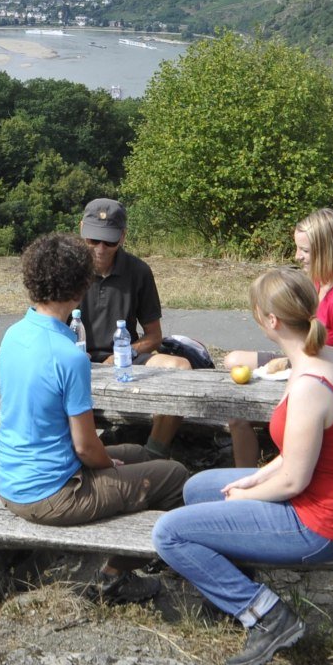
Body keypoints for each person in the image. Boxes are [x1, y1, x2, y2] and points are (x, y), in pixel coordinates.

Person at [151, 268, 333, 665]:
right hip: (331, 502)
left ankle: (266, 615)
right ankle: (233, 585)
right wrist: (252, 476)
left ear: (271, 320)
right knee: (198, 487)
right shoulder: (327, 356)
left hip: (322, 525)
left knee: (169, 533)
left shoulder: (310, 384)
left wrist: (246, 495)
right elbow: (296, 454)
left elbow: (294, 480)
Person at [0, 232, 190, 602]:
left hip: (12, 480)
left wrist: (109, 461)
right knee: (176, 476)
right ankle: (114, 578)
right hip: (51, 494)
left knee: (144, 456)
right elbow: (87, 448)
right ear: (82, 286)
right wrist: (107, 465)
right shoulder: (69, 356)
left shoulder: (14, 334)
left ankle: (131, 547)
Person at [78, 198, 258, 467]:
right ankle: (79, 450)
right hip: (75, 355)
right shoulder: (67, 268)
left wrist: (123, 353)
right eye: (93, 240)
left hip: (123, 354)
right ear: (81, 230)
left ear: (123, 237)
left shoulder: (138, 271)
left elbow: (154, 336)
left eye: (110, 241)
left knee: (181, 367)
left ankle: (155, 451)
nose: (101, 249)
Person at [226, 207, 333, 379]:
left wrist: (293, 367)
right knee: (233, 360)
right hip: (308, 357)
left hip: (329, 373)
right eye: (297, 248)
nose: (297, 256)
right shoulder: (320, 279)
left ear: (328, 251)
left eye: (305, 250)